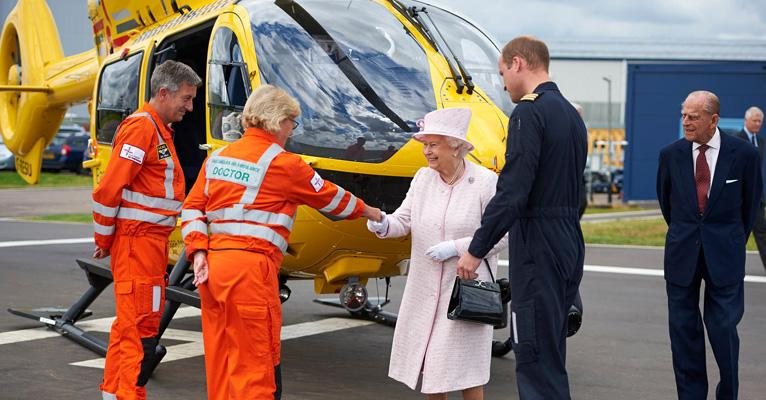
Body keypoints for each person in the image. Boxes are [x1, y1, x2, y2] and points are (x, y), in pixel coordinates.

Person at [181, 84, 382, 400]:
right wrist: (372, 212)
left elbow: (192, 208)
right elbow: (331, 200)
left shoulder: (217, 158)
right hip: (251, 270)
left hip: (213, 268)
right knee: (256, 364)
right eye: (292, 121)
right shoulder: (285, 164)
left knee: (221, 358)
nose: (292, 129)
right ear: (276, 120)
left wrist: (197, 251)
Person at [456, 35, 587, 399]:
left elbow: (513, 192)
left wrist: (476, 248)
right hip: (567, 239)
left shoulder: (529, 112)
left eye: (502, 73)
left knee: (531, 353)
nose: (502, 83)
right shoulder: (571, 117)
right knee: (551, 352)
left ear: (518, 63)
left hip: (538, 242)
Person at [367, 107, 507, 400]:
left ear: (455, 146)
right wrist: (380, 221)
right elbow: (402, 221)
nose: (426, 152)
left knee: (467, 374)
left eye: (433, 145)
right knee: (431, 373)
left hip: (465, 291)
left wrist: (457, 248)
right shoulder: (422, 179)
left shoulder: (484, 182)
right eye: (425, 145)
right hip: (424, 290)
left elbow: (503, 234)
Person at [91, 60, 201, 400]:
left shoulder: (158, 129)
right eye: (186, 98)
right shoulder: (142, 128)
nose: (190, 106)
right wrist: (105, 238)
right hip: (137, 245)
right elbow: (109, 189)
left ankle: (116, 392)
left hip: (149, 246)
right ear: (164, 93)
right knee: (138, 330)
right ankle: (126, 394)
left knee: (138, 326)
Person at [657, 91, 761, 400]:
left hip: (725, 257)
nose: (685, 121)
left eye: (693, 116)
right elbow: (668, 205)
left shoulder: (744, 155)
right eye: (683, 115)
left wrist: (728, 241)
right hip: (681, 256)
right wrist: (687, 234)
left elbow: (750, 207)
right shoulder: (670, 155)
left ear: (714, 119)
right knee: (684, 335)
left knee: (723, 330)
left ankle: (727, 392)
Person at [734, 106, 766, 272]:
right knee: (738, 236)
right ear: (746, 120)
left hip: (757, 198)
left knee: (762, 233)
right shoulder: (736, 140)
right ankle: (730, 267)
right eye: (755, 120)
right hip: (739, 198)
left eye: (760, 121)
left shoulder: (761, 142)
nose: (758, 123)